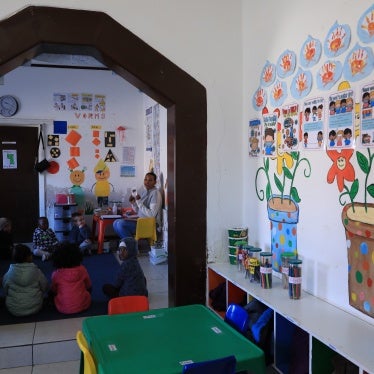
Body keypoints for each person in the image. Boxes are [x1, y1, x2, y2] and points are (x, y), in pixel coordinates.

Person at [2, 244, 49, 317]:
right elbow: (45, 286)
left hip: (14, 309)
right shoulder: (36, 271)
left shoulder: (9, 273)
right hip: (35, 307)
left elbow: (5, 288)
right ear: (29, 257)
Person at [113, 172, 162, 240]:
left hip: (150, 225)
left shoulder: (155, 193)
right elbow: (139, 211)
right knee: (115, 222)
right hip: (141, 221)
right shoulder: (145, 192)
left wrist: (138, 202)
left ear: (155, 182)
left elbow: (152, 214)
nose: (147, 182)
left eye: (150, 180)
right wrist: (133, 203)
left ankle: (131, 247)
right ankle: (130, 245)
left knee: (120, 224)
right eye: (145, 179)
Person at [50, 242, 92, 314]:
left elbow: (54, 290)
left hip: (62, 308)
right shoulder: (82, 269)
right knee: (88, 291)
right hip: (83, 306)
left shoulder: (56, 274)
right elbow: (88, 285)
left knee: (51, 294)